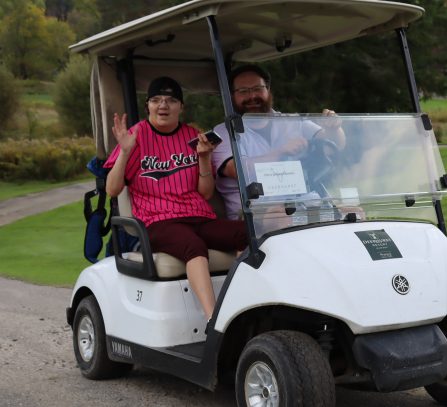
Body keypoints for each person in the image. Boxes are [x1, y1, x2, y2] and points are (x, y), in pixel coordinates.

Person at [103, 76, 247, 322]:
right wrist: (125, 153)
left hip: (198, 216)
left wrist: (203, 158)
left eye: (171, 100)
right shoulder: (135, 136)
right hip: (158, 221)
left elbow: (205, 194)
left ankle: (245, 304)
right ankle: (214, 321)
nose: (163, 106)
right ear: (147, 105)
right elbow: (112, 190)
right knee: (193, 246)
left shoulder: (193, 135)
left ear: (181, 107)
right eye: (156, 100)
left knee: (249, 233)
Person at [212, 64, 346, 220]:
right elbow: (237, 170)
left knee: (353, 213)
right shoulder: (224, 131)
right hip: (253, 216)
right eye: (243, 91)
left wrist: (334, 127)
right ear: (232, 96)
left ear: (268, 90)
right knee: (283, 219)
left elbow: (335, 144)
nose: (252, 96)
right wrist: (281, 152)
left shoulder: (291, 121)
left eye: (257, 88)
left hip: (300, 205)